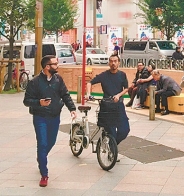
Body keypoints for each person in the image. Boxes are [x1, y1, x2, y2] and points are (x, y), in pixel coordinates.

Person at [23, 55, 77, 187]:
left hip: (54, 116)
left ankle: (41, 157)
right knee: (42, 143)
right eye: (55, 63)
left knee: (51, 142)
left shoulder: (58, 79)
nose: (57, 65)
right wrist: (39, 103)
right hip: (40, 117)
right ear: (47, 67)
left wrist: (72, 109)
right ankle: (44, 174)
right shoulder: (35, 82)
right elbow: (26, 101)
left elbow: (65, 94)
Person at [86, 54, 130, 146]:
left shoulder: (122, 75)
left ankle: (112, 146)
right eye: (111, 61)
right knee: (111, 132)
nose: (113, 63)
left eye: (115, 61)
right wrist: (88, 94)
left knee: (125, 130)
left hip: (119, 106)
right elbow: (90, 83)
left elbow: (126, 88)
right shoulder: (104, 75)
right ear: (109, 63)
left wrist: (118, 95)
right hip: (106, 107)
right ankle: (112, 152)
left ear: (119, 63)